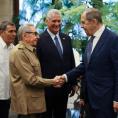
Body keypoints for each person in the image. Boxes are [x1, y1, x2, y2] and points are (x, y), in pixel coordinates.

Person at [61, 8, 118, 118]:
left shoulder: (113, 39)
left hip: (106, 101)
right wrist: (65, 77)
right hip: (89, 101)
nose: (81, 26)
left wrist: (117, 98)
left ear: (94, 22)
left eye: (83, 22)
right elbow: (85, 66)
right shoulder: (90, 40)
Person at [9, 24, 64, 118]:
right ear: (25, 35)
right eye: (35, 34)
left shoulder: (30, 51)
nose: (38, 37)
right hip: (27, 105)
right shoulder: (19, 52)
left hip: (33, 103)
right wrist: (52, 81)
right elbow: (31, 80)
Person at [36, 9, 76, 118]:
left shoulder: (66, 38)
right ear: (46, 21)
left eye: (59, 21)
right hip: (47, 89)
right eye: (54, 21)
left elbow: (71, 62)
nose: (57, 24)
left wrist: (72, 83)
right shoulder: (39, 39)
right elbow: (37, 65)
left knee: (61, 115)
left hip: (64, 88)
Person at [0, 21, 16, 118]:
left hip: (7, 95)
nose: (14, 34)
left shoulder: (14, 49)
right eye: (10, 31)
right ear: (1, 32)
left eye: (15, 31)